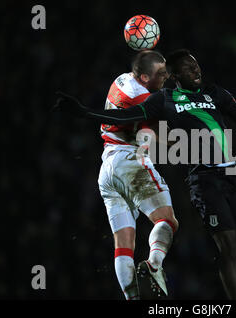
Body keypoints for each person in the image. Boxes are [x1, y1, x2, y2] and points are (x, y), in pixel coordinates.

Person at [53, 49, 236, 300]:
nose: (196, 69)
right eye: (188, 68)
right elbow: (126, 115)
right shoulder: (164, 99)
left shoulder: (215, 93)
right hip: (204, 180)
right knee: (229, 246)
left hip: (234, 176)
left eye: (196, 64)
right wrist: (84, 112)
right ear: (175, 76)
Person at [58, 50, 179, 300]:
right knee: (167, 221)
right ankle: (154, 265)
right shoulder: (145, 99)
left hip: (107, 169)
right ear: (145, 77)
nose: (166, 75)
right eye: (161, 73)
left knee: (124, 244)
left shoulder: (121, 80)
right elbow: (157, 136)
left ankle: (132, 298)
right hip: (129, 162)